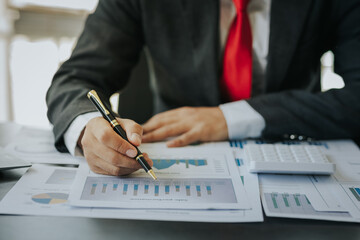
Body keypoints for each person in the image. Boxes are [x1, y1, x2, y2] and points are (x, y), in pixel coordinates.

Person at [46, 0, 360, 176]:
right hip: (180, 161)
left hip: (295, 156)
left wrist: (231, 117)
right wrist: (87, 127)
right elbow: (75, 79)